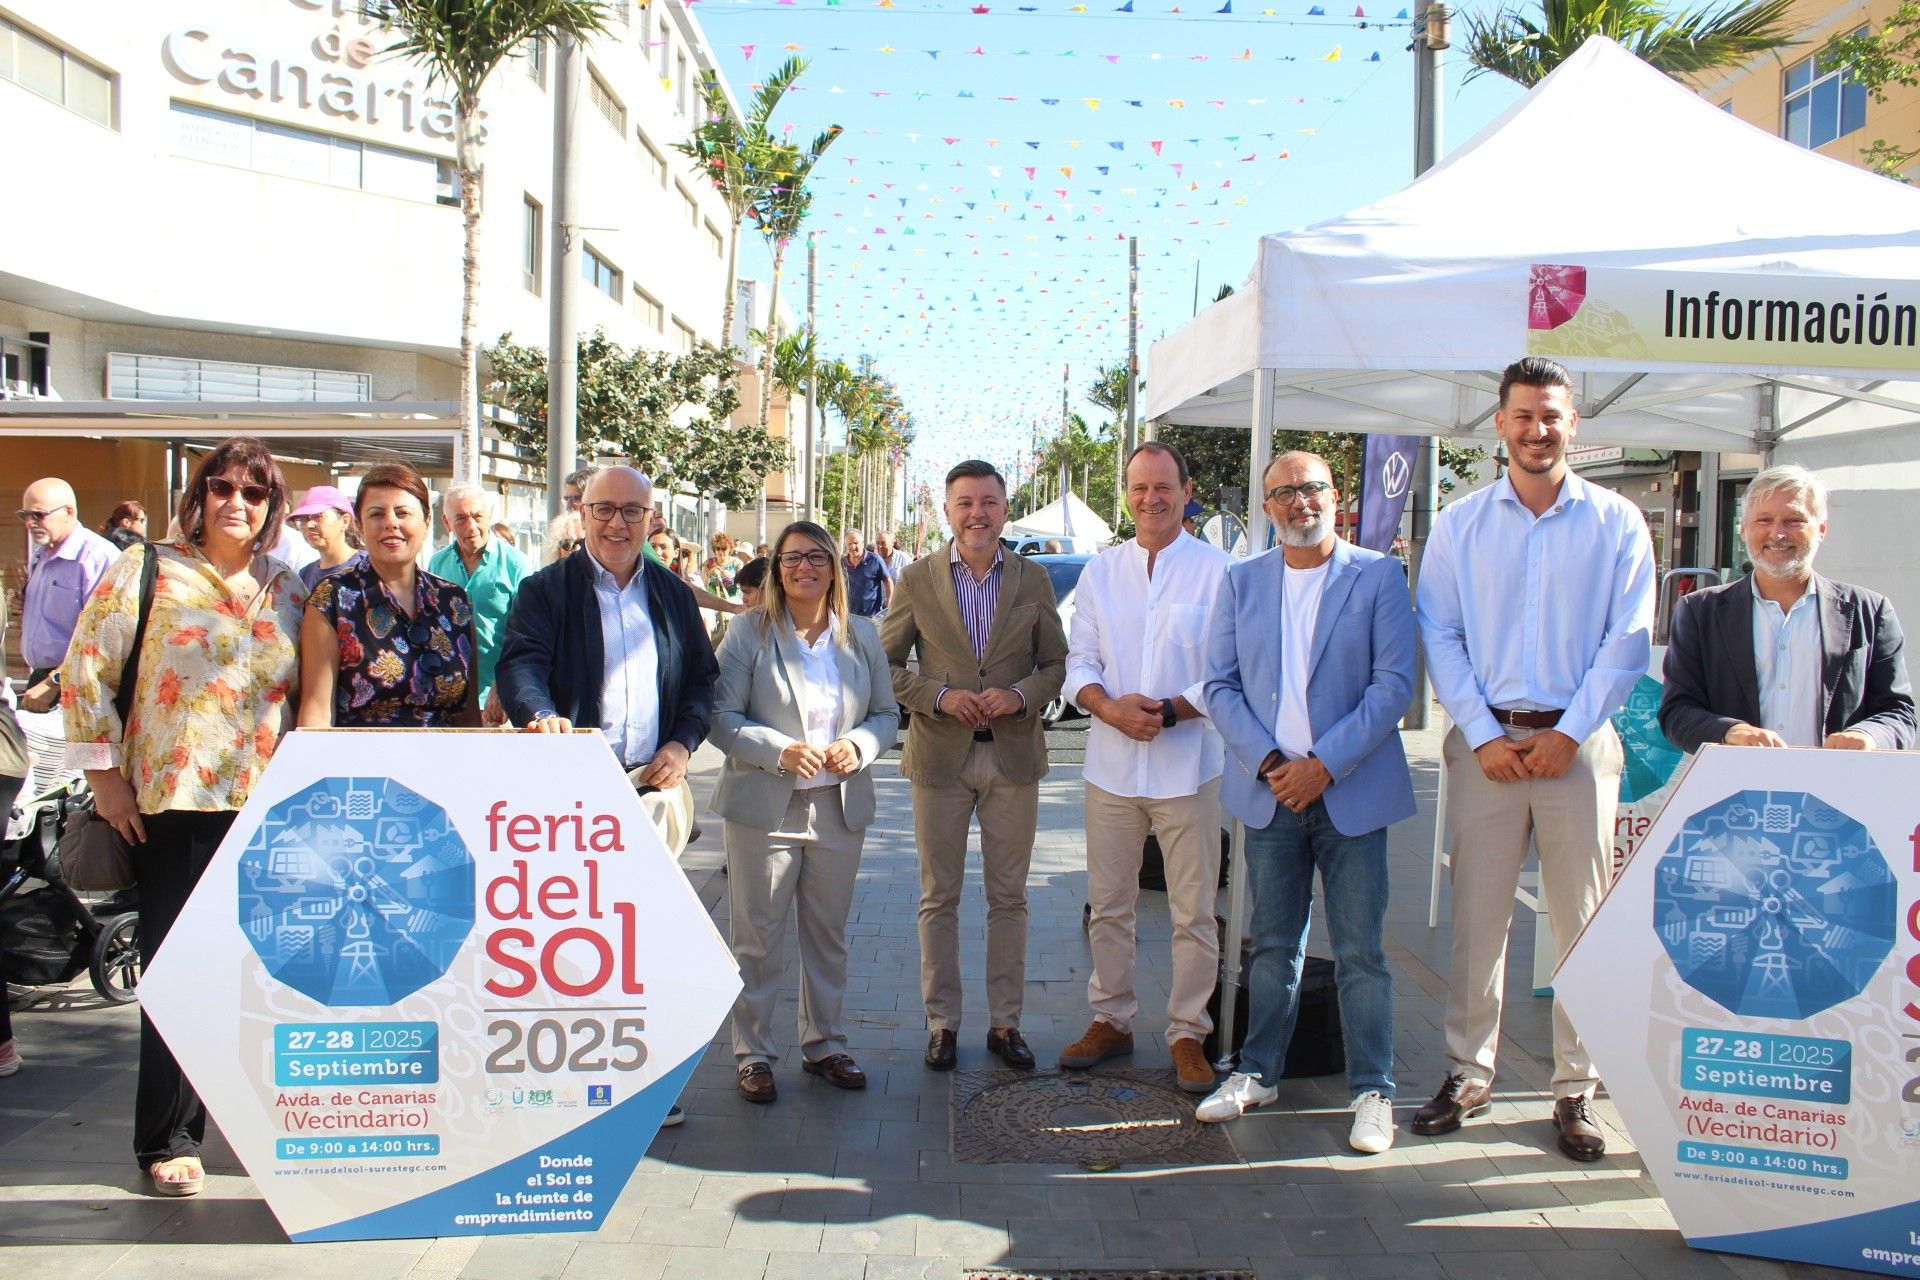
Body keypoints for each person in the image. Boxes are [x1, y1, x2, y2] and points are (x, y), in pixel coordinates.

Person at [1413, 356, 1655, 1163]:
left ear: (1573, 422)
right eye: (1522, 415)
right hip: (1486, 748)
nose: (1536, 429)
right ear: (1500, 424)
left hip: (1576, 748)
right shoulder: (1459, 524)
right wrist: (1481, 731)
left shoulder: (1618, 521)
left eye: (1551, 415)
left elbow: (1626, 641)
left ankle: (1575, 1089)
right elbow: (1439, 633)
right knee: (1477, 922)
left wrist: (1568, 733)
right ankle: (1467, 1073)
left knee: (1582, 923)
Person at [62, 438, 306, 1196]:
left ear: (272, 508)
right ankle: (168, 1135)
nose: (238, 502)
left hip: (271, 809)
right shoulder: (145, 569)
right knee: (179, 970)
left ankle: (260, 1121)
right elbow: (85, 671)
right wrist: (105, 779)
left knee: (266, 975)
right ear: (198, 496)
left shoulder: (289, 588)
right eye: (223, 487)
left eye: (255, 492)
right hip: (175, 807)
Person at [1196, 451, 1418, 1154]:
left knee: (1360, 951)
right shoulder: (1241, 582)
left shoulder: (1378, 576)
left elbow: (1393, 685)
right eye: (1285, 493)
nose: (1300, 502)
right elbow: (1218, 685)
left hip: (1349, 793)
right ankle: (1258, 1071)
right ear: (1267, 508)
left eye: (1312, 487)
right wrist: (1269, 764)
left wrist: (1323, 766)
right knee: (1271, 947)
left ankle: (1373, 1089)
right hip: (1270, 796)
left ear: (1337, 495)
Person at [1057, 442, 1231, 1095]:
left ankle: (1188, 1032)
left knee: (1193, 912)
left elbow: (1225, 674)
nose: (1150, 499)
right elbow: (1082, 666)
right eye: (1139, 488)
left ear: (1187, 491)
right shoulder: (1102, 572)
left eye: (1163, 487)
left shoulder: (1220, 572)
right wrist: (1110, 709)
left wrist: (1167, 711)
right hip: (1110, 766)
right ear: (1125, 494)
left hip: (1189, 768)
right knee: (1109, 905)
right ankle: (1112, 1019)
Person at [883, 460, 1068, 1072]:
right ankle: (941, 1023)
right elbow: (884, 667)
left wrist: (1020, 695)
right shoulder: (916, 578)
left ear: (1005, 509)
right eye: (965, 503)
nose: (977, 514)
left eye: (988, 502)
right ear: (946, 511)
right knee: (939, 897)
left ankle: (1005, 1024)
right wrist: (937, 696)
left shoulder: (1033, 580)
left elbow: (1057, 666)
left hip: (1013, 758)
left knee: (1008, 898)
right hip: (940, 759)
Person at [710, 520, 899, 1103]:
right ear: (776, 568)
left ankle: (825, 1044)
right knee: (757, 938)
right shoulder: (747, 633)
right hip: (765, 808)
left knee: (827, 935)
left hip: (837, 808)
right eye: (792, 558)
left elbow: (888, 715)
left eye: (818, 557)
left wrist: (861, 745)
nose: (804, 568)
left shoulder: (861, 634)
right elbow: (719, 717)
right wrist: (778, 750)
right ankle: (754, 1053)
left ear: (834, 568)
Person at [496, 466, 719, 836]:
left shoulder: (675, 594)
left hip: (653, 787)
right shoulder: (544, 590)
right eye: (604, 509)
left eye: (632, 510)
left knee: (649, 894)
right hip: (570, 790)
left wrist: (682, 744)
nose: (617, 523)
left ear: (649, 519)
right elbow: (521, 664)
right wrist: (540, 713)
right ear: (583, 515)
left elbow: (700, 679)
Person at [1660, 464, 1915, 754]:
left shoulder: (1869, 611)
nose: (1777, 533)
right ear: (1743, 530)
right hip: (1736, 790)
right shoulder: (1699, 611)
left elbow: (1899, 713)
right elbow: (1676, 712)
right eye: (1764, 520)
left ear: (1821, 529)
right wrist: (1730, 731)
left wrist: (1868, 735)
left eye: (1793, 520)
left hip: (1837, 790)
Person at [297, 463, 479, 729]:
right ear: (359, 525)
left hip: (444, 764)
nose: (391, 523)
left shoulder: (454, 601)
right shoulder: (332, 599)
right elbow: (316, 713)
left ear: (427, 522)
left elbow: (469, 713)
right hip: (362, 766)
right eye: (376, 514)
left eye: (403, 513)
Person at [428, 482, 530, 721]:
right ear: (446, 522)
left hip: (501, 699)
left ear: (490, 515)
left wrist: (503, 685)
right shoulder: (436, 565)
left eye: (477, 516)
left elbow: (525, 633)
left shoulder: (516, 564)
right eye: (461, 518)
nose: (471, 526)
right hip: (450, 698)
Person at [17, 477, 118, 712]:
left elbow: (104, 636)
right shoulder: (42, 554)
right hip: (43, 683)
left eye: (38, 515)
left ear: (69, 512)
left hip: (79, 687)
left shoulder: (97, 558)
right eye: (25, 515)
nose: (30, 523)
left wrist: (55, 681)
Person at [291, 485, 363, 590]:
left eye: (317, 516)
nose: (309, 525)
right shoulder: (305, 574)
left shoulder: (368, 566)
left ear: (344, 521)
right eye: (302, 519)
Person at [841, 530, 894, 619]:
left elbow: (888, 581)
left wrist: (890, 605)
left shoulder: (875, 559)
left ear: (862, 543)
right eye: (849, 544)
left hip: (872, 616)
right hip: (849, 615)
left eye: (855, 543)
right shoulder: (842, 562)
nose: (853, 547)